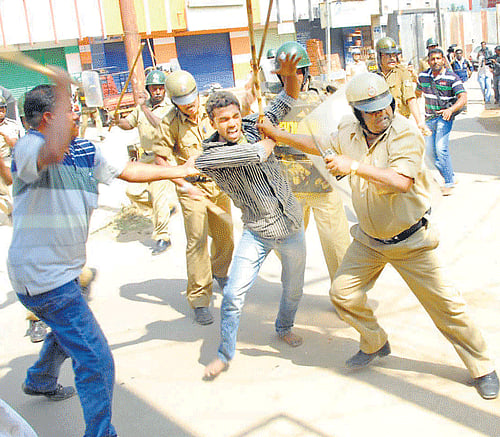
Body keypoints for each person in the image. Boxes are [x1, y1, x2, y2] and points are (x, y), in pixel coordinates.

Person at [258, 72, 499, 401]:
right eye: (371, 110)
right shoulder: (348, 130)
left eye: (384, 106)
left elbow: (401, 181)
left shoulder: (406, 134)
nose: (380, 114)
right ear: (357, 112)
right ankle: (375, 342)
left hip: (411, 241)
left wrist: (353, 166)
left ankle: (482, 367)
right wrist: (278, 134)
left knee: (447, 307)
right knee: (342, 294)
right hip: (369, 240)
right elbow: (321, 145)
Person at [8, 69, 198, 437]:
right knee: (95, 360)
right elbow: (51, 150)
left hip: (63, 274)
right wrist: (63, 86)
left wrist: (180, 170)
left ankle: (41, 378)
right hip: (43, 279)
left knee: (70, 325)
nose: (78, 114)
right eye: (70, 109)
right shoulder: (29, 146)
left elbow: (128, 170)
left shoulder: (84, 149)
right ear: (48, 119)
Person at [198, 53, 305, 380]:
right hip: (257, 231)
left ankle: (284, 326)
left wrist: (289, 75)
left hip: (291, 226)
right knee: (231, 295)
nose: (231, 124)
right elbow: (257, 153)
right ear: (213, 124)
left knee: (293, 289)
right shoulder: (212, 155)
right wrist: (271, 135)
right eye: (222, 120)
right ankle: (224, 354)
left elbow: (288, 97)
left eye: (234, 116)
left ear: (239, 113)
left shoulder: (253, 123)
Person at [154, 70, 234, 325]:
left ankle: (219, 272)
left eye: (192, 101)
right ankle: (199, 299)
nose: (189, 107)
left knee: (226, 236)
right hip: (191, 189)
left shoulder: (212, 110)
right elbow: (160, 160)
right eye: (183, 104)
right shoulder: (168, 123)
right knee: (197, 242)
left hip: (219, 184)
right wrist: (183, 185)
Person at [271, 41, 350, 283]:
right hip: (288, 186)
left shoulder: (326, 95)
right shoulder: (270, 101)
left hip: (322, 182)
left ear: (304, 72)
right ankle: (293, 283)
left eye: (294, 73)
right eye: (284, 74)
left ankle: (344, 293)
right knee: (283, 243)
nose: (290, 79)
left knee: (337, 244)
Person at [113, 70, 176, 255]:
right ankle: (167, 208)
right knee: (132, 191)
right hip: (145, 158)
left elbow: (159, 124)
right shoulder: (142, 107)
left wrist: (144, 108)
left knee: (158, 196)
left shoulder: (170, 107)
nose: (157, 92)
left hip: (162, 158)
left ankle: (163, 237)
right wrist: (117, 120)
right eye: (154, 88)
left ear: (165, 89)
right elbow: (129, 124)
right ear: (149, 89)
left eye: (160, 88)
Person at [416, 48, 467, 196]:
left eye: (438, 58)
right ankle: (450, 175)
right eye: (433, 59)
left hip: (444, 118)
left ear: (443, 60)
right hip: (429, 118)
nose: (436, 61)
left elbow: (463, 97)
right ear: (428, 61)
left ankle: (449, 183)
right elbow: (417, 93)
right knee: (431, 153)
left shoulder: (452, 77)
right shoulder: (423, 76)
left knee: (440, 148)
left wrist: (450, 110)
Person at [376, 37, 429, 136]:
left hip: (399, 122)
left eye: (394, 55)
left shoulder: (402, 72)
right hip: (380, 124)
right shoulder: (373, 76)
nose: (392, 58)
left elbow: (411, 99)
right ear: (379, 56)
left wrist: (419, 122)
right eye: (388, 55)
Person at [0, 95, 21, 217]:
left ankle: (12, 212)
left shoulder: (12, 125)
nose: (1, 112)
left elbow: (18, 144)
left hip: (7, 162)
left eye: (2, 109)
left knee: (9, 192)